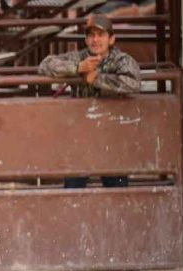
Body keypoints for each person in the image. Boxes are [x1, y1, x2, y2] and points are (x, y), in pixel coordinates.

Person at [38, 14, 140, 188]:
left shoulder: (121, 60)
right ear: (86, 39)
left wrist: (97, 79)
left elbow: (134, 83)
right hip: (81, 134)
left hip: (111, 134)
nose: (95, 40)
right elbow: (45, 65)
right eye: (91, 35)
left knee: (116, 187)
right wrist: (77, 68)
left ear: (111, 39)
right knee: (73, 186)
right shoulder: (80, 57)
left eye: (101, 35)